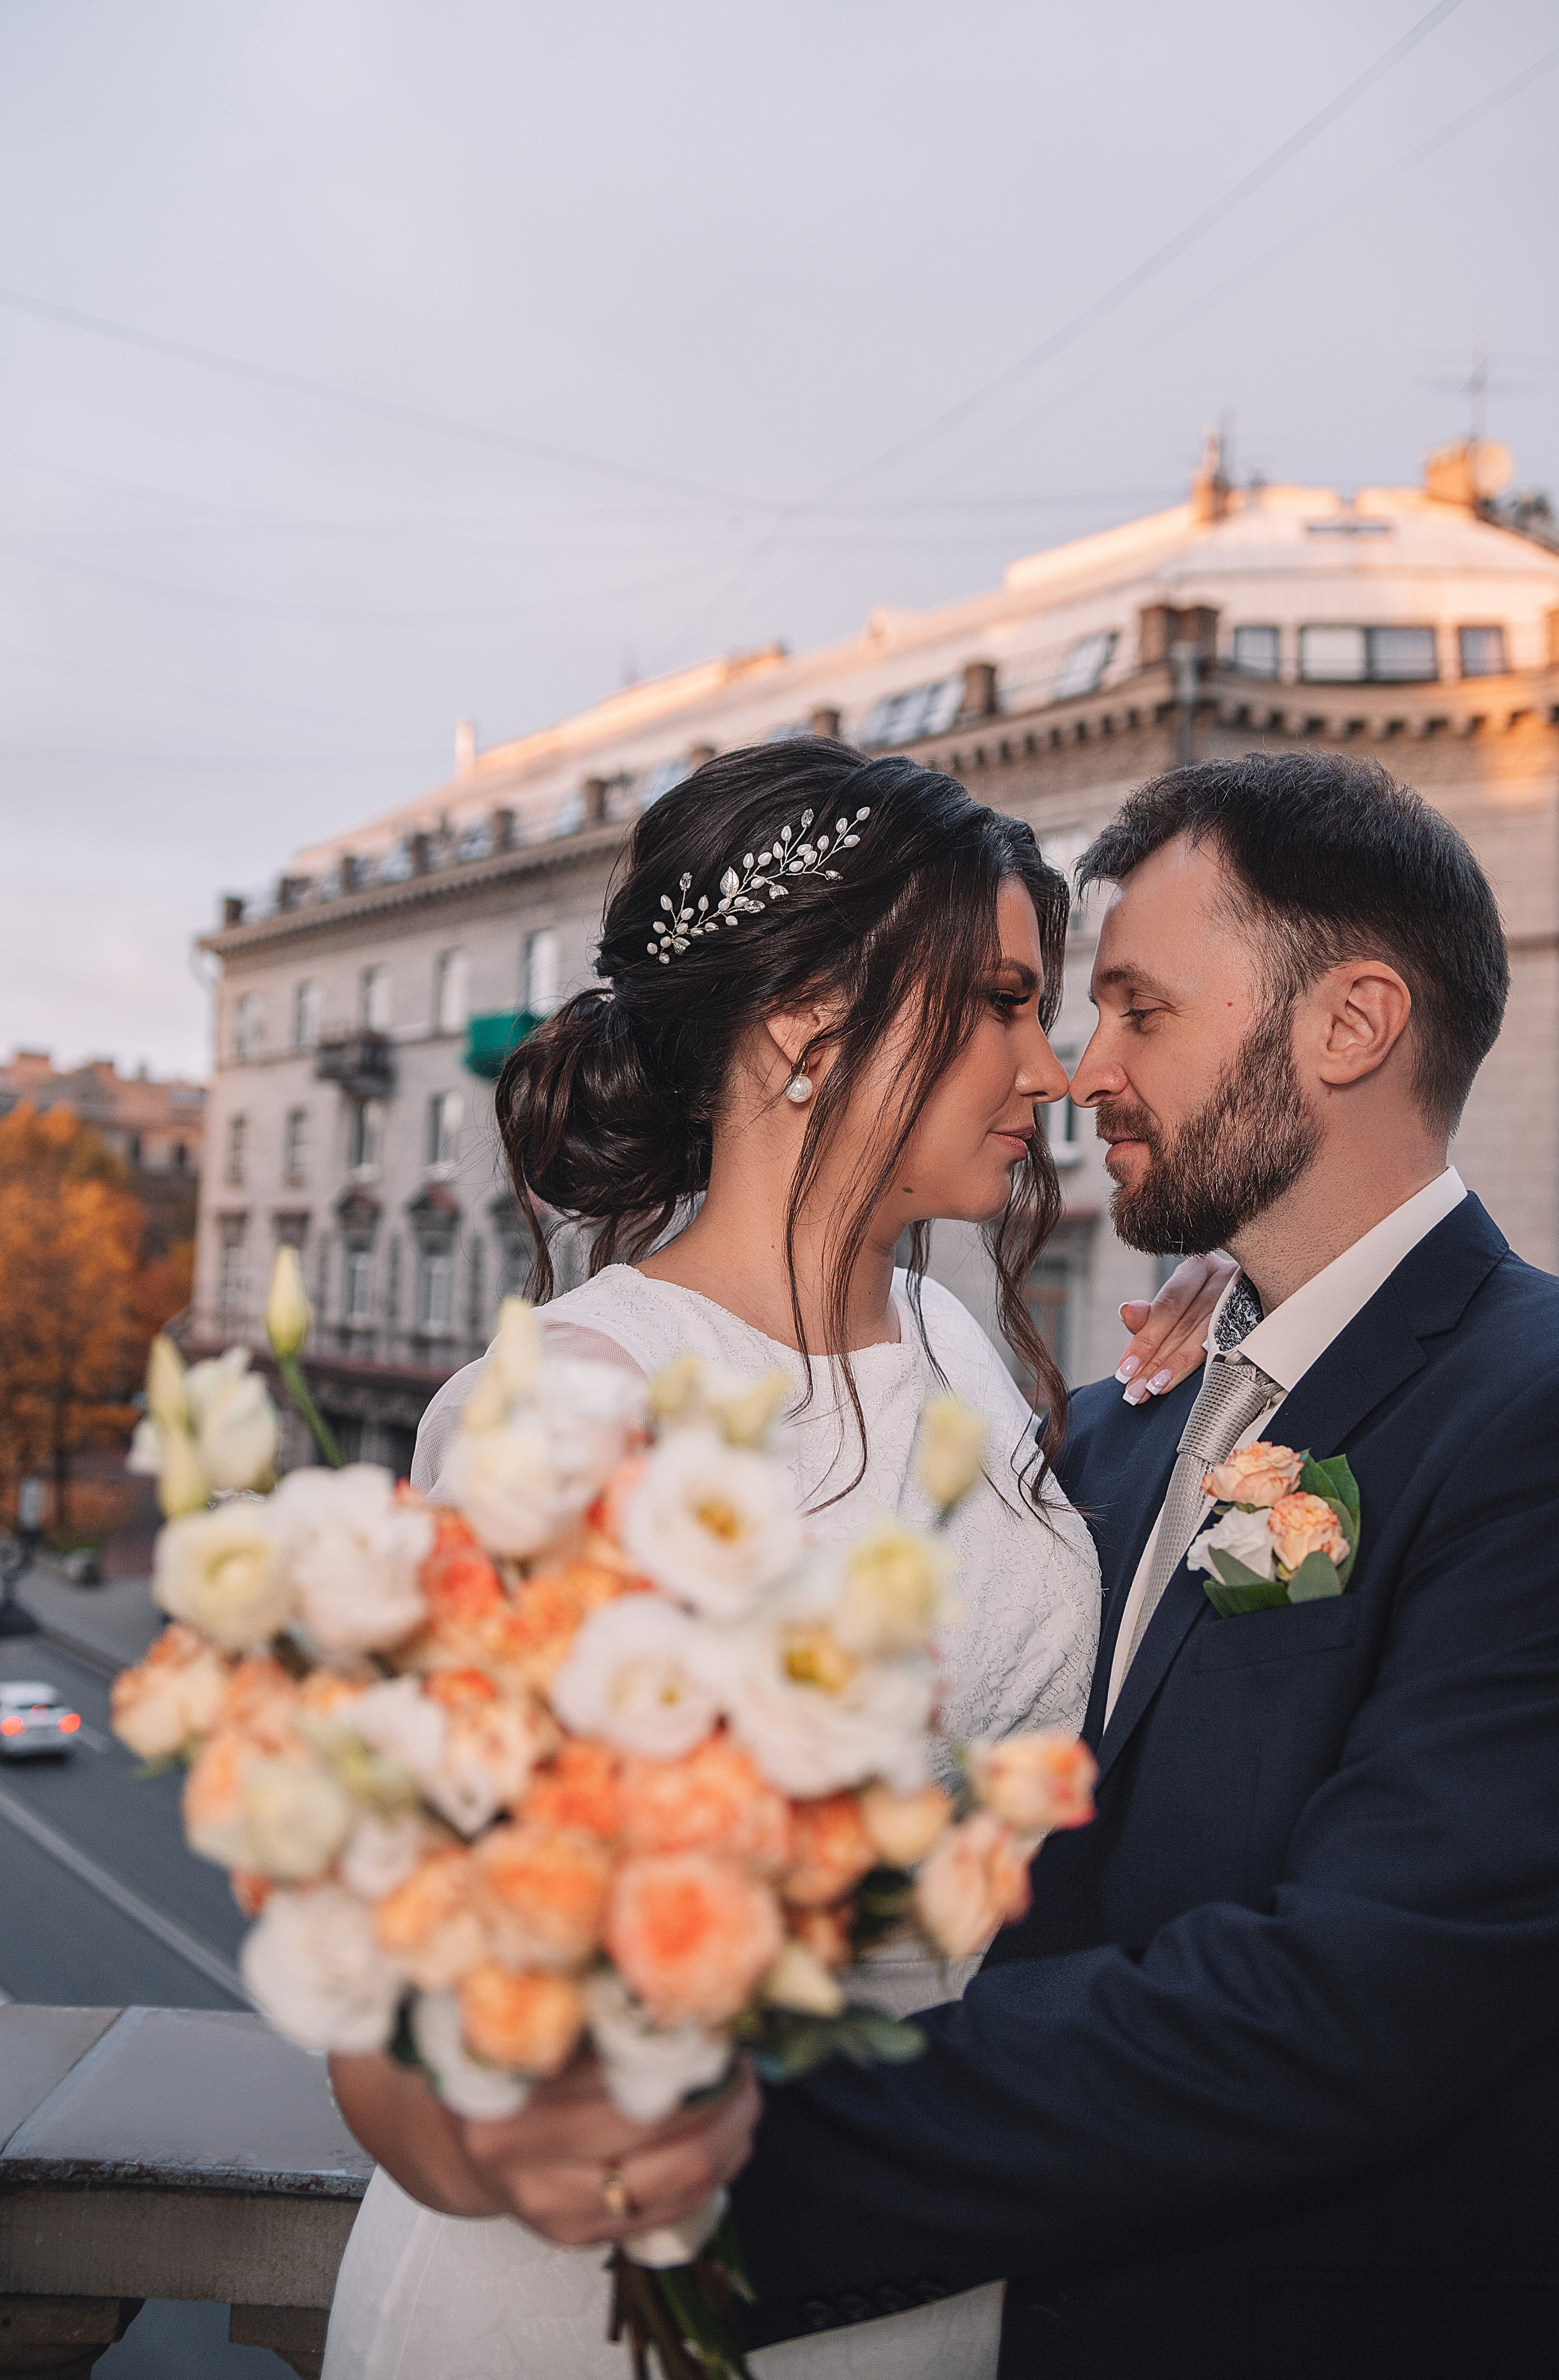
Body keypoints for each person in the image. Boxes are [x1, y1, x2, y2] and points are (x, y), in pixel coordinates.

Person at [322, 739, 1224, 2379]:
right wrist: (511, 2141)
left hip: (925, 2255)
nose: (1060, 1067)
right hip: (603, 2302)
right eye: (1007, 1004)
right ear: (811, 1031)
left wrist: (1238, 1335)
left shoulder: (957, 1339)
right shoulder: (580, 1411)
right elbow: (410, 2021)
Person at [718, 750, 1559, 2376]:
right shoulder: (1120, 1428)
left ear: (1350, 1026)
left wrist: (745, 2132)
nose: (1078, 1072)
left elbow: (1355, 2004)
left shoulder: (1530, 1413)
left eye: (1143, 1011)